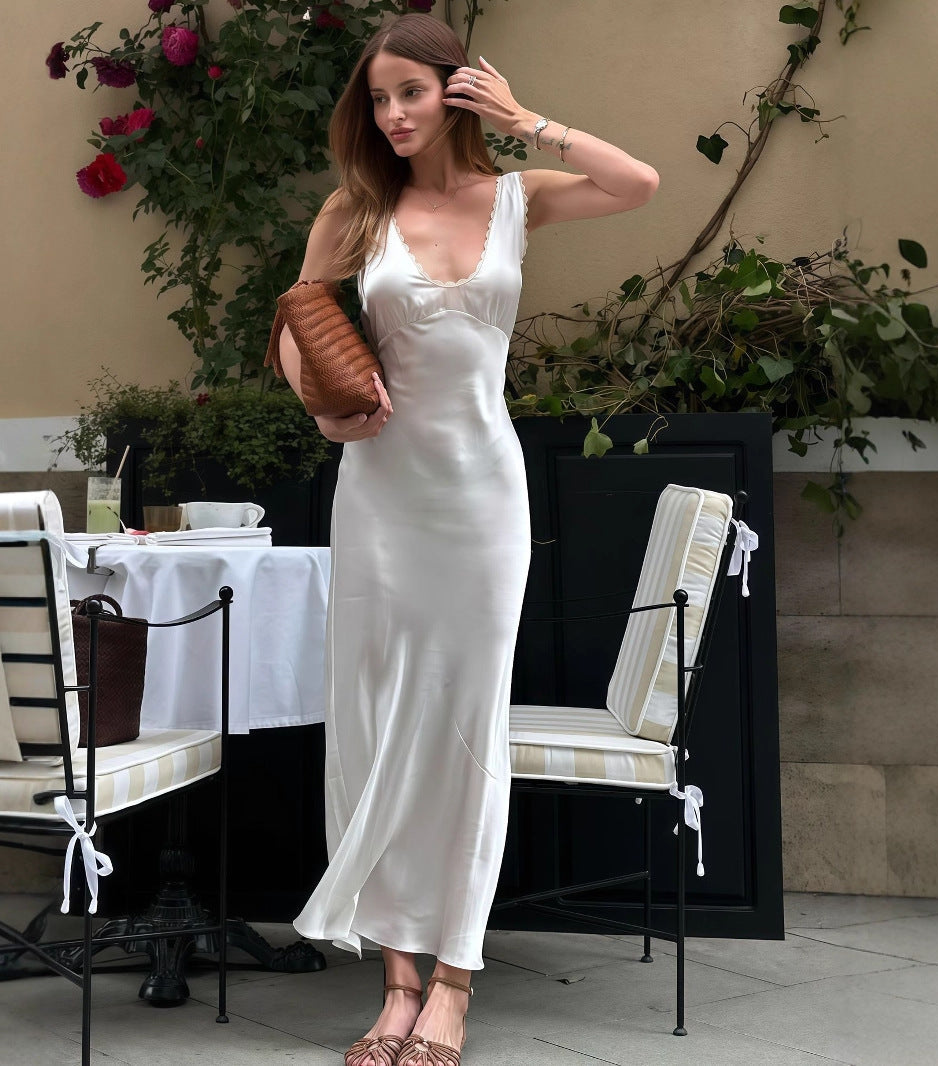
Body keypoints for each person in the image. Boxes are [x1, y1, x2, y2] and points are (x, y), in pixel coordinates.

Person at [280, 14, 658, 1066]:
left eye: (411, 92)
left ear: (455, 91)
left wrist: (526, 120)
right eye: (380, 99)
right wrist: (321, 411)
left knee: (463, 729)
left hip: (483, 501)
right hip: (379, 500)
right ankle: (395, 982)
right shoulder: (354, 211)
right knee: (378, 721)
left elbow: (638, 183)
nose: (394, 115)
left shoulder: (513, 199)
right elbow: (292, 321)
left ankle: (454, 979)